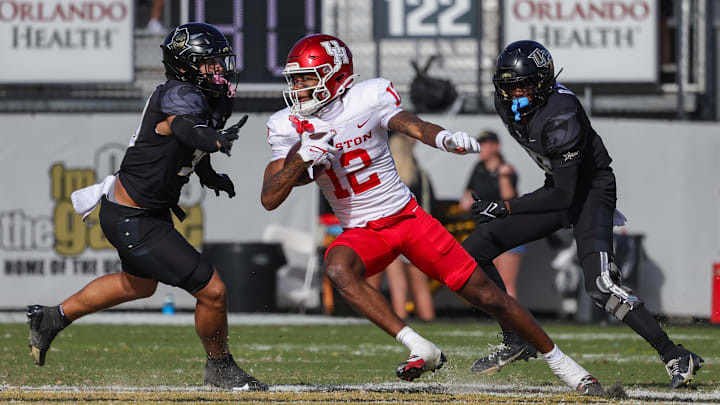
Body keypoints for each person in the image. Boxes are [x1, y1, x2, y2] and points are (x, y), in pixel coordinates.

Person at [261, 33, 603, 395]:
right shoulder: (287, 124)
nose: (297, 88)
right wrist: (300, 158)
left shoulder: (367, 98)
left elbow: (411, 124)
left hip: (407, 218)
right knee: (337, 266)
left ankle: (568, 367)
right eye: (294, 80)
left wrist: (444, 139)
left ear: (336, 75)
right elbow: (270, 196)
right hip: (363, 230)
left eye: (306, 78)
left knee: (488, 296)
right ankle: (419, 345)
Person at [26, 22, 267, 391]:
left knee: (137, 285)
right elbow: (184, 128)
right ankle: (220, 367)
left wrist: (206, 172)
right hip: (133, 218)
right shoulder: (178, 95)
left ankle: (52, 319)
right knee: (213, 290)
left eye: (220, 60)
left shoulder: (209, 95)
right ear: (186, 66)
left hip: (138, 213)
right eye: (210, 62)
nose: (219, 68)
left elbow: (189, 143)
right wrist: (212, 139)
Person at [463, 40, 703, 389]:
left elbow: (565, 193)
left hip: (589, 193)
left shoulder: (562, 114)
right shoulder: (508, 105)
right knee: (473, 251)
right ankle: (514, 337)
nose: (516, 94)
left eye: (524, 86)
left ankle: (675, 354)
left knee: (602, 287)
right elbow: (556, 185)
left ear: (542, 82)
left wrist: (508, 206)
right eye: (509, 86)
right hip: (558, 186)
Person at [367, 134, 435, 321]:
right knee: (420, 285)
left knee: (398, 283)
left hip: (394, 232)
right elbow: (430, 206)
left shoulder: (388, 177)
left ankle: (400, 321)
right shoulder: (421, 175)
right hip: (419, 233)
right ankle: (430, 322)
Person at [459, 130, 525, 299]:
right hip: (487, 230)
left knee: (507, 281)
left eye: (485, 144)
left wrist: (503, 176)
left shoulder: (507, 170)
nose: (481, 148)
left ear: (496, 147)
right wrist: (469, 201)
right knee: (493, 282)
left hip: (508, 229)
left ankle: (516, 322)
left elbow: (508, 197)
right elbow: (467, 195)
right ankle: (504, 320)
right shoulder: (478, 169)